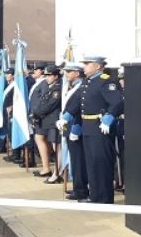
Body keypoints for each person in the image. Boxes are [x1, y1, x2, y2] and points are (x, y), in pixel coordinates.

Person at [73, 56, 122, 203]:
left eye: (88, 64)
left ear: (98, 67)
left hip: (100, 128)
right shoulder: (88, 82)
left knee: (101, 163)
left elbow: (117, 102)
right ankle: (95, 195)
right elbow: (79, 104)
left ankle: (104, 198)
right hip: (88, 127)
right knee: (92, 164)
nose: (84, 67)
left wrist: (108, 120)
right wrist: (72, 121)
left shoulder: (106, 81)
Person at [57, 63, 87, 200]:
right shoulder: (71, 87)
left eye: (69, 72)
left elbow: (80, 110)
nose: (66, 74)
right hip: (68, 126)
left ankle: (80, 190)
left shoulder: (81, 87)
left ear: (77, 73)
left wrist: (76, 128)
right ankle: (77, 187)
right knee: (75, 160)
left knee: (78, 160)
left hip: (76, 128)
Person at [32, 65, 63, 182]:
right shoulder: (50, 87)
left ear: (56, 76)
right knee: (43, 140)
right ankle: (49, 170)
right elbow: (43, 102)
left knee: (57, 147)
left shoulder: (57, 88)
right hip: (46, 120)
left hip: (53, 121)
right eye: (46, 75)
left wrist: (37, 113)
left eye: (49, 75)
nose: (47, 77)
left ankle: (57, 173)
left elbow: (50, 105)